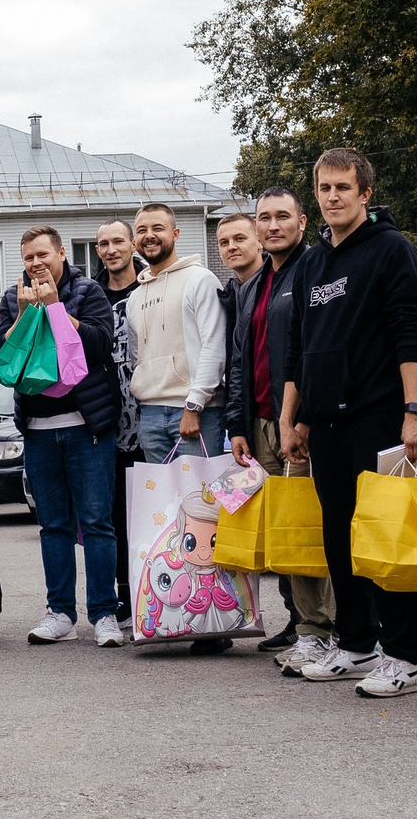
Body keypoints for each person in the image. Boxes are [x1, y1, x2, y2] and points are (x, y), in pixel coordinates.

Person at [279, 148, 417, 698]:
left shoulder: (392, 251)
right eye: (324, 188)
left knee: (389, 539)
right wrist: (292, 418)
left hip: (381, 418)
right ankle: (358, 643)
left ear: (365, 194)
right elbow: (300, 346)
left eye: (343, 187)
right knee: (340, 535)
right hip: (325, 424)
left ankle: (405, 657)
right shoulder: (314, 262)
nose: (333, 197)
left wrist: (413, 412)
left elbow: (407, 332)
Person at [227, 186, 335, 667]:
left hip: (299, 425)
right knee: (283, 537)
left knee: (307, 533)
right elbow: (239, 360)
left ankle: (324, 630)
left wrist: (304, 418)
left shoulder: (315, 269)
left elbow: (315, 352)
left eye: (282, 217)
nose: (272, 225)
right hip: (261, 420)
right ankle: (303, 625)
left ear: (302, 221)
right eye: (264, 218)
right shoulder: (252, 286)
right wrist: (238, 423)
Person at [0, 225, 123, 646]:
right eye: (28, 258)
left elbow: (100, 343)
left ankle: (105, 613)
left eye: (41, 255)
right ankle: (60, 612)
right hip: (37, 430)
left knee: (96, 523)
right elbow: (6, 353)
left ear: (61, 253)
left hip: (86, 427)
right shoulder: (14, 293)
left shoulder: (88, 291)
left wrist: (56, 308)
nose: (35, 264)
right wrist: (22, 313)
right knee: (53, 526)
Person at [128, 202, 230, 463]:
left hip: (196, 411)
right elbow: (136, 356)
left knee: (198, 500)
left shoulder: (200, 280)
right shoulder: (135, 298)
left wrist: (194, 404)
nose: (149, 235)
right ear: (134, 241)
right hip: (150, 414)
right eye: (141, 230)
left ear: (175, 234)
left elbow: (214, 347)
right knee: (163, 503)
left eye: (158, 228)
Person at [92, 217, 145, 622]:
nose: (111, 250)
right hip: (107, 421)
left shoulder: (151, 287)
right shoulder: (92, 296)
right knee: (114, 517)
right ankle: (122, 599)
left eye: (117, 241)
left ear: (131, 245)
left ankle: (154, 594)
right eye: (103, 244)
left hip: (152, 418)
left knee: (153, 511)